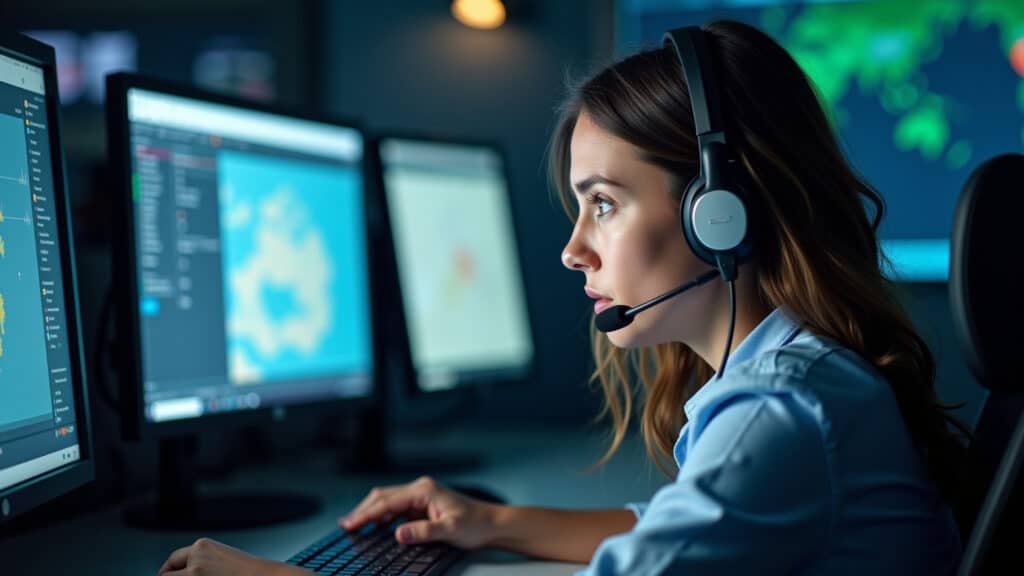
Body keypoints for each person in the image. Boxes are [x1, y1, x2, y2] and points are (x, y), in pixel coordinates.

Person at [157, 19, 968, 576]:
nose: (573, 249)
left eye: (604, 203)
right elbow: (675, 530)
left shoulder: (776, 413)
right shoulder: (790, 381)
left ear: (721, 212)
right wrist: (490, 522)